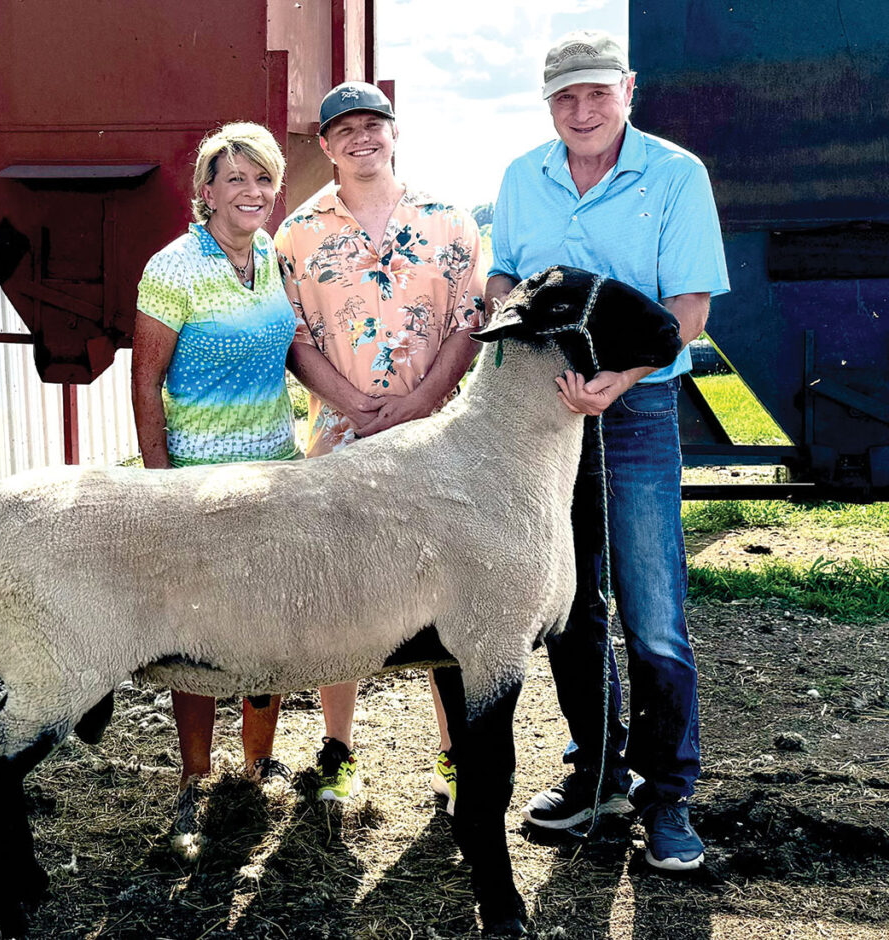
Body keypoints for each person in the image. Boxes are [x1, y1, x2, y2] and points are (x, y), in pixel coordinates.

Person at [486, 30, 729, 870]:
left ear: (629, 89)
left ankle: (671, 802)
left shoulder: (675, 175)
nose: (581, 111)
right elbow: (505, 281)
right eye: (564, 97)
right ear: (547, 102)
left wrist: (618, 383)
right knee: (570, 608)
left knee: (653, 616)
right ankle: (597, 776)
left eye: (596, 93)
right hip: (547, 420)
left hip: (635, 413)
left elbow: (687, 313)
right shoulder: (525, 177)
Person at [275, 82, 484, 807]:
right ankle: (337, 750)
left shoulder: (451, 224)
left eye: (374, 125)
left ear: (394, 133)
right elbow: (293, 338)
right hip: (342, 442)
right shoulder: (297, 234)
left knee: (447, 599)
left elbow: (468, 322)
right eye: (346, 130)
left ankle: (456, 755)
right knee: (341, 597)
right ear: (327, 146)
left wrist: (422, 402)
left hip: (440, 443)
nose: (362, 137)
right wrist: (355, 405)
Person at [132, 122, 299, 847]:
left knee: (272, 624)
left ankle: (257, 767)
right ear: (206, 191)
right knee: (197, 637)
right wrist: (159, 485)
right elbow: (145, 382)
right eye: (235, 179)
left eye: (263, 178)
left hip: (275, 474)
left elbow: (292, 354)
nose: (252, 192)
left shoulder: (272, 256)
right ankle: (194, 781)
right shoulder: (172, 268)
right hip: (199, 484)